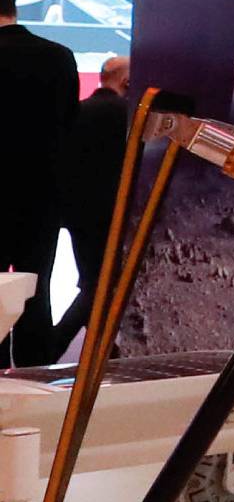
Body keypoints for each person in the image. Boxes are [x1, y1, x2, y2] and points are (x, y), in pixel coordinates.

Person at [0, 0, 81, 366]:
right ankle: (37, 373)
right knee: (38, 287)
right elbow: (69, 124)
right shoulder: (60, 56)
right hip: (43, 194)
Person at [51, 55, 130, 358]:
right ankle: (56, 344)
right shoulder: (124, 117)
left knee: (93, 282)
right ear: (127, 82)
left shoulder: (79, 112)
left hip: (77, 214)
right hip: (110, 215)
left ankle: (105, 350)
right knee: (102, 285)